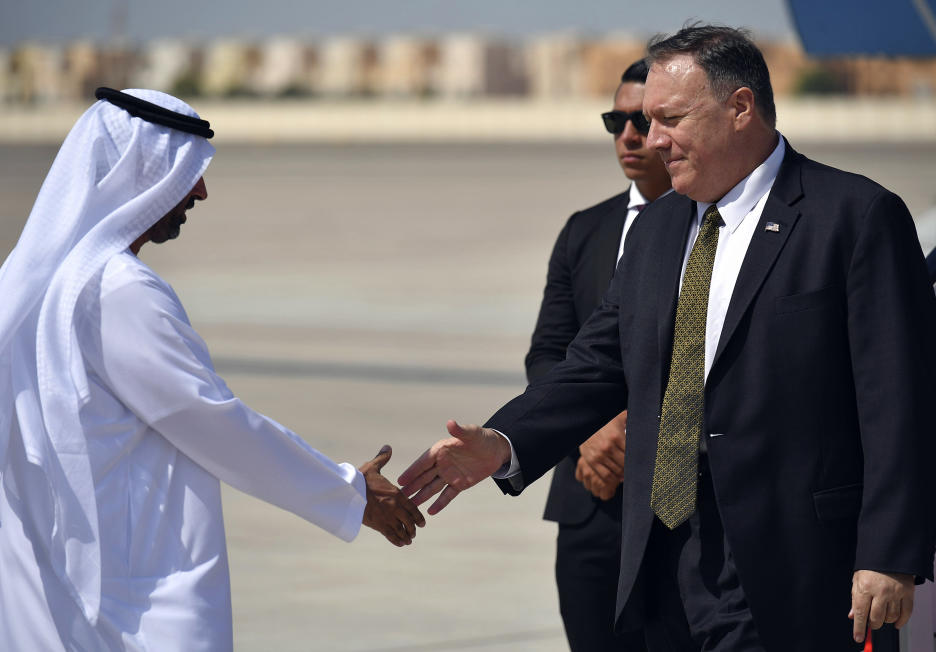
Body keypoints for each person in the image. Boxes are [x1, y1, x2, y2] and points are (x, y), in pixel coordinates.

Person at [399, 25, 936, 651]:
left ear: (740, 107)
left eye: (670, 119)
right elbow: (597, 361)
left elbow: (900, 400)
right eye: (648, 122)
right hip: (663, 560)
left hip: (795, 565)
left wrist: (890, 554)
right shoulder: (656, 229)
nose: (653, 141)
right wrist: (503, 440)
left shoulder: (855, 216)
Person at [0, 88, 424, 651]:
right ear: (137, 174)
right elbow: (217, 426)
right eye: (184, 172)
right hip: (124, 606)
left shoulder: (15, 291)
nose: (202, 190)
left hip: (40, 587)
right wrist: (353, 494)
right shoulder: (116, 292)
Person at [527, 58, 670, 652]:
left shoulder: (715, 229)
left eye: (642, 120)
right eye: (616, 120)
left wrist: (630, 431)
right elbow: (546, 356)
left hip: (674, 507)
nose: (629, 136)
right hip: (588, 499)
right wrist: (589, 435)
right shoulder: (584, 230)